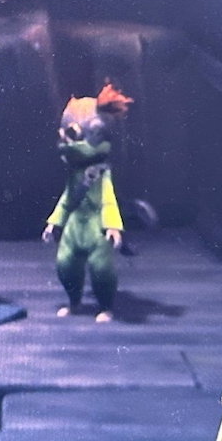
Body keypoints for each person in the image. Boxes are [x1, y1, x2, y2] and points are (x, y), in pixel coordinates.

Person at [42, 83, 132, 323]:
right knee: (65, 264)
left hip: (95, 228)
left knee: (101, 268)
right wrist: (54, 223)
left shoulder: (100, 173)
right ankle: (74, 301)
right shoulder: (75, 173)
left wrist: (112, 226)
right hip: (74, 227)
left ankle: (106, 306)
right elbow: (67, 198)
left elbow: (108, 200)